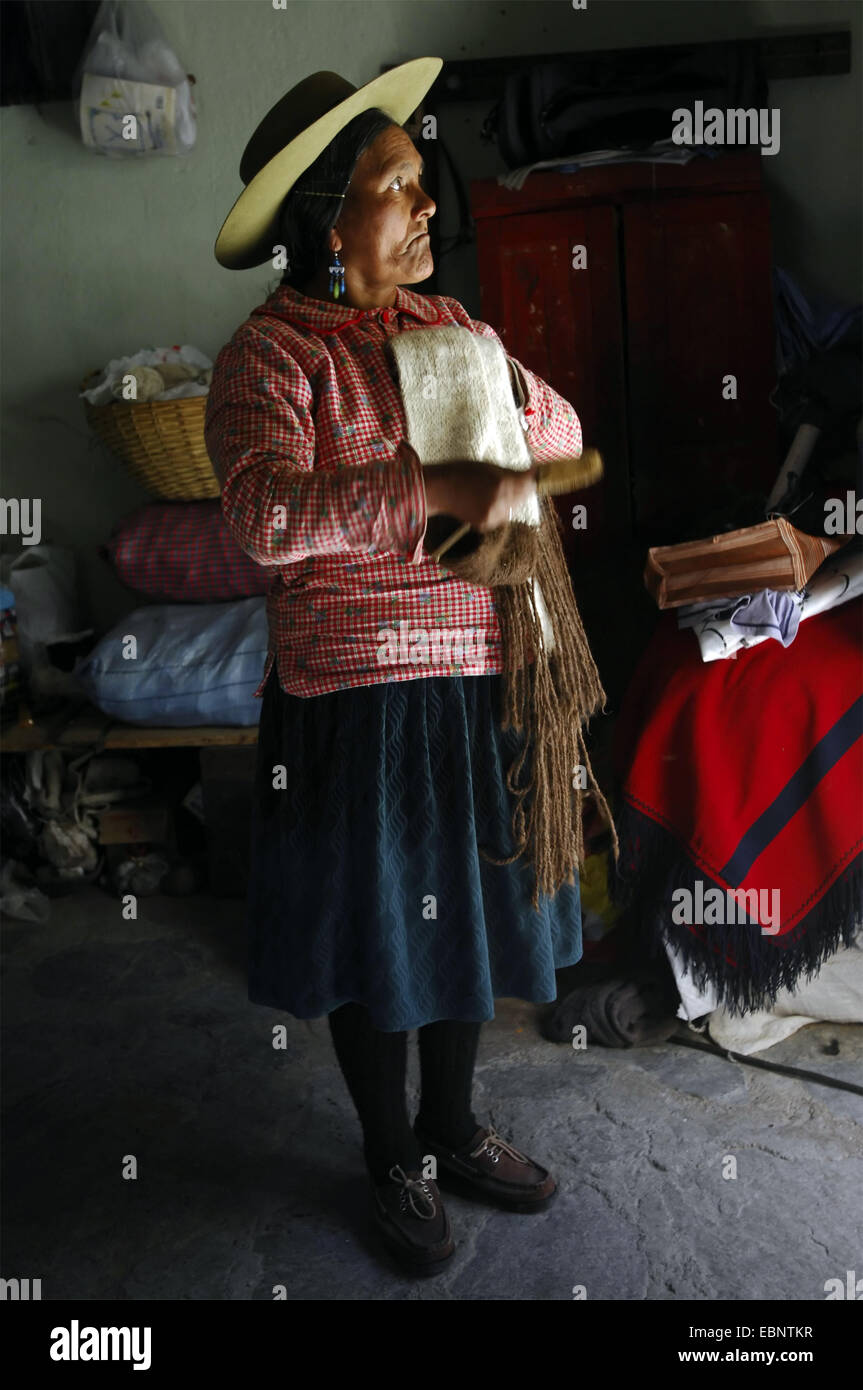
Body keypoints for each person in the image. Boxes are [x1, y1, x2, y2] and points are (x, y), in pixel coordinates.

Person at [205, 57, 606, 1277]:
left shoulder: (452, 330)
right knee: (378, 944)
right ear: (329, 217)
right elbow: (265, 519)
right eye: (396, 187)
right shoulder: (273, 360)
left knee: (466, 925)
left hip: (474, 678)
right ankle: (393, 1157)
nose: (428, 209)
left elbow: (560, 432)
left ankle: (450, 1123)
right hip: (354, 702)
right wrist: (430, 483)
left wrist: (496, 416)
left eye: (423, 186)